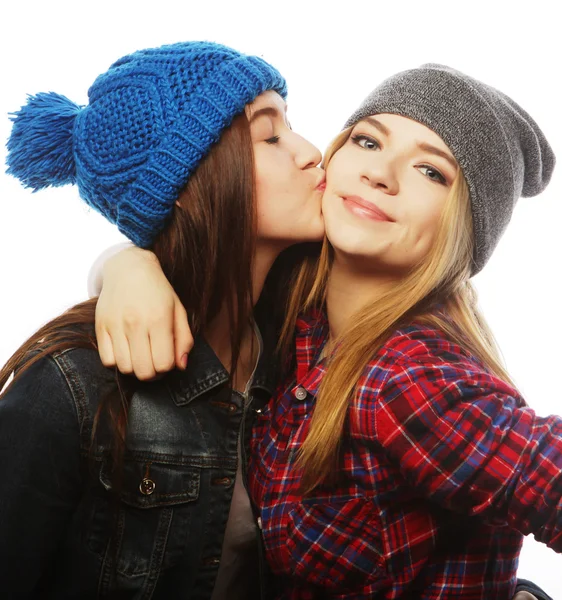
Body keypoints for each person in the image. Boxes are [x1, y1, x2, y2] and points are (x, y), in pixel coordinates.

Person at [88, 66, 558, 598]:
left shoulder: (408, 378)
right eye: (367, 140)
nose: (382, 174)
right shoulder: (300, 311)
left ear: (464, 229)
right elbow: (203, 248)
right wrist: (127, 266)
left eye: (432, 172)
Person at [0, 40, 325, 599]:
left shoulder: (300, 356)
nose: (310, 152)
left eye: (291, 126)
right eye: (270, 136)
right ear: (186, 187)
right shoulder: (68, 391)